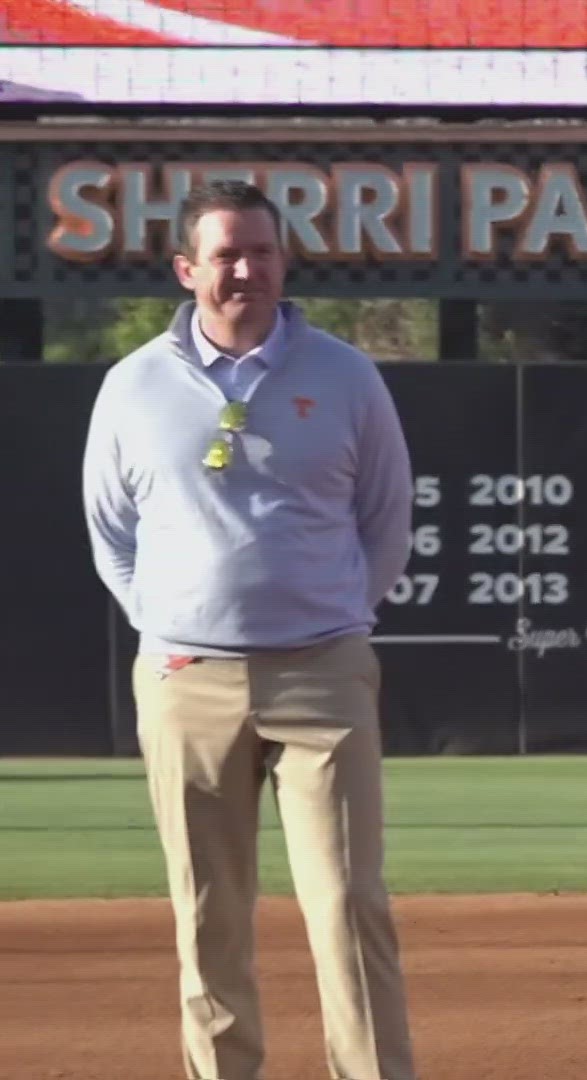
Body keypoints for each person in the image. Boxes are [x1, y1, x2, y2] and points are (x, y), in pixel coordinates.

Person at [80, 178, 419, 1080]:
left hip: (322, 674)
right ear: (188, 269)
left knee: (349, 902)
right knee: (207, 912)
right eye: (226, 254)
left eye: (261, 252)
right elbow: (111, 532)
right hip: (187, 679)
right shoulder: (134, 385)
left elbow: (387, 521)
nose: (245, 270)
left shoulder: (345, 375)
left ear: (284, 262)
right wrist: (168, 627)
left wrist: (342, 616)